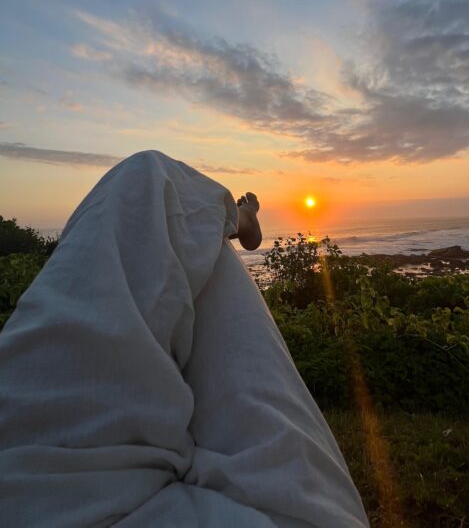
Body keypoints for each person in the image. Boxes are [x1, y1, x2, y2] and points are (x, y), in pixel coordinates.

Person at [0, 150, 369, 527]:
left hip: (35, 476)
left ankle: (230, 221)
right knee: (147, 177)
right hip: (282, 511)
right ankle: (236, 219)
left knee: (150, 189)